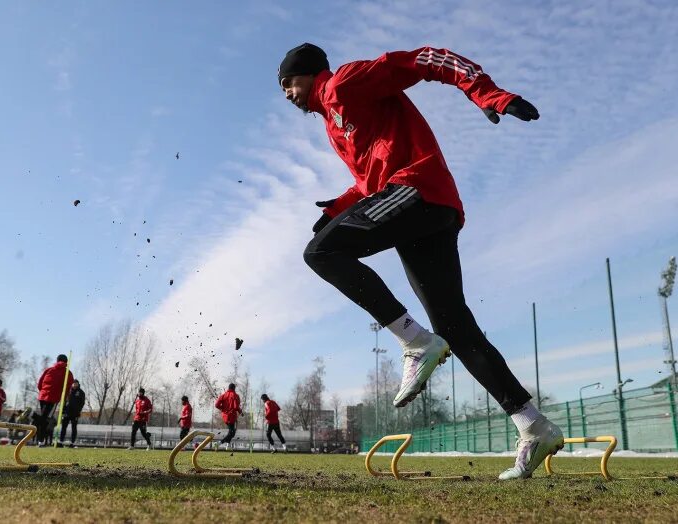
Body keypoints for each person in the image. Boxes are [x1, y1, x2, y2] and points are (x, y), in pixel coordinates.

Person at [278, 43, 563, 480]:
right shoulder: (335, 128)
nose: (286, 94)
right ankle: (533, 425)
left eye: (288, 83)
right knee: (454, 326)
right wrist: (337, 208)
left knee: (321, 253)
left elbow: (426, 60)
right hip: (425, 210)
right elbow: (368, 182)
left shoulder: (344, 83)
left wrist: (487, 93)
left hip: (417, 187)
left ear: (309, 74)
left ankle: (414, 341)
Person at [37, 354, 74, 447]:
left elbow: (40, 383)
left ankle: (40, 440)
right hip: (53, 399)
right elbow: (68, 388)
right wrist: (64, 399)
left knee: (43, 418)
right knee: (46, 419)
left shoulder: (49, 370)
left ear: (57, 360)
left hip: (42, 396)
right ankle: (41, 441)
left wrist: (42, 391)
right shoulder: (68, 373)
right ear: (66, 362)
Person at [58, 380, 85, 448]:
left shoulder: (81, 392)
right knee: (64, 427)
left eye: (76, 383)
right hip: (66, 412)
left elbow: (82, 403)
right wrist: (62, 411)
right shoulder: (67, 391)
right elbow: (63, 401)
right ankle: (61, 442)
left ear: (78, 384)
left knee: (74, 428)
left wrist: (78, 411)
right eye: (73, 383)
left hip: (75, 413)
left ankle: (72, 443)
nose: (74, 385)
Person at [215, 383, 242, 450]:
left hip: (225, 416)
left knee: (231, 431)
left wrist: (222, 409)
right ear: (234, 388)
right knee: (232, 433)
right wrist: (240, 412)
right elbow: (236, 406)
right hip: (232, 416)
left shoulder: (223, 395)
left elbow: (216, 405)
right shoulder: (235, 395)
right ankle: (219, 443)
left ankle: (228, 446)